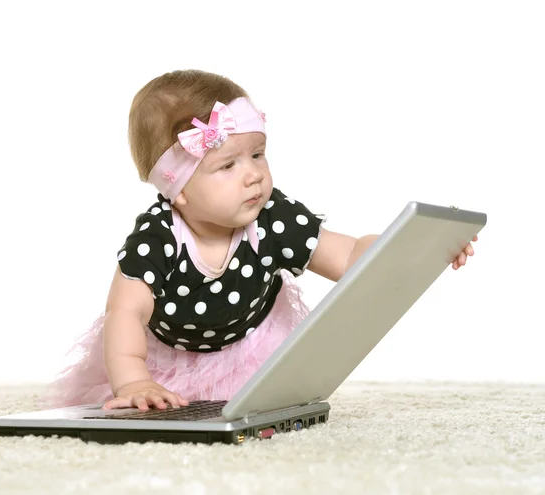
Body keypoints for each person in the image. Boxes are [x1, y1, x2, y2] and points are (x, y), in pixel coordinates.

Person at [41, 69, 477, 412]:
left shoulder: (270, 217)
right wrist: (133, 380)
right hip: (164, 356)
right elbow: (125, 313)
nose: (253, 174)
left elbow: (345, 255)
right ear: (180, 189)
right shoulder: (156, 238)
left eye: (257, 154)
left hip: (250, 346)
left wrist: (412, 250)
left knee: (265, 404)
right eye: (227, 165)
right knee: (161, 402)